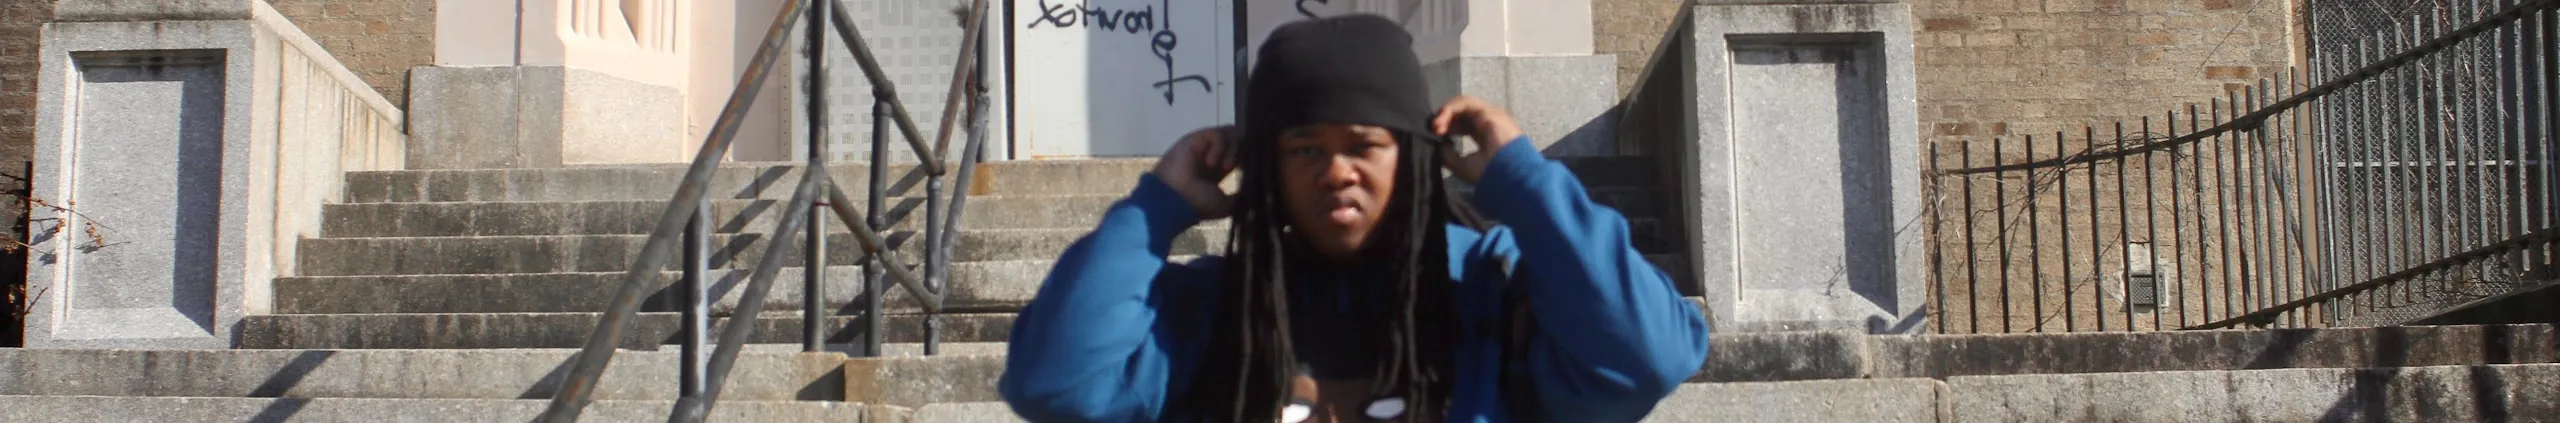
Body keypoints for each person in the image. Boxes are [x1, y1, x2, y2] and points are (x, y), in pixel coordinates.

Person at [998, 14, 1710, 422]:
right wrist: (1154, 209)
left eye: (1365, 145)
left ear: (1416, 156)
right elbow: (1057, 385)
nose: (1336, 170)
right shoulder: (1211, 307)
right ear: (1266, 168)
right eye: (1304, 148)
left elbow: (1648, 357)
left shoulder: (1494, 292)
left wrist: (1525, 183)